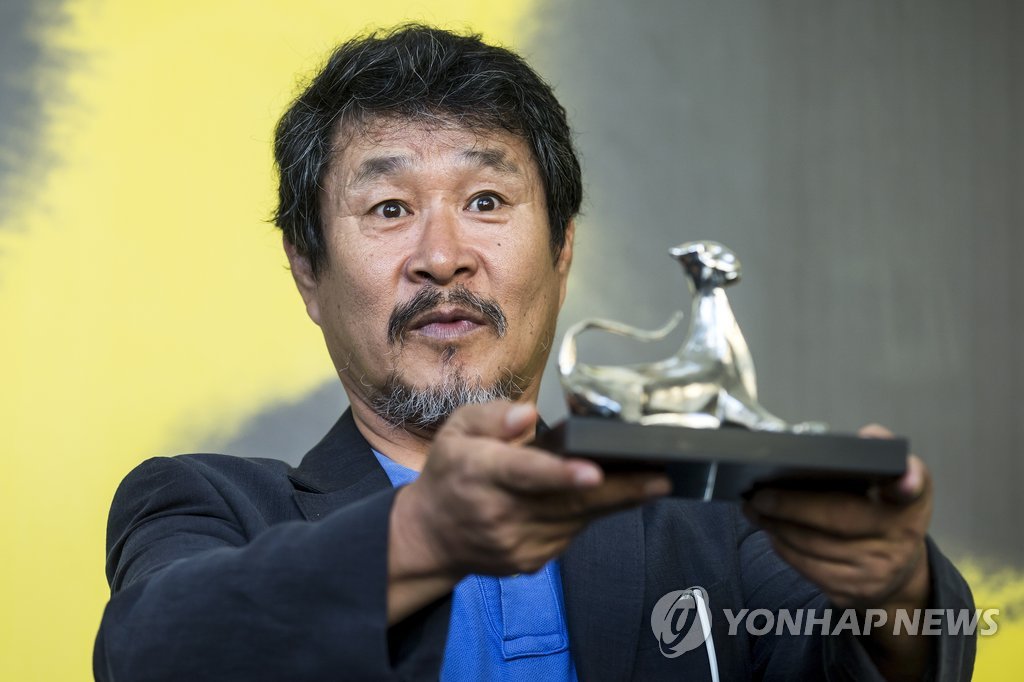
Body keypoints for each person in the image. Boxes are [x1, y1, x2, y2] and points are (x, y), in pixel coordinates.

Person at [95, 25, 976, 681]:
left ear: (561, 253)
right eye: (390, 209)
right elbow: (151, 654)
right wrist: (426, 534)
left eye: (486, 199)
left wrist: (895, 591)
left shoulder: (710, 518)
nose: (443, 257)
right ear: (308, 275)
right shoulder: (208, 505)